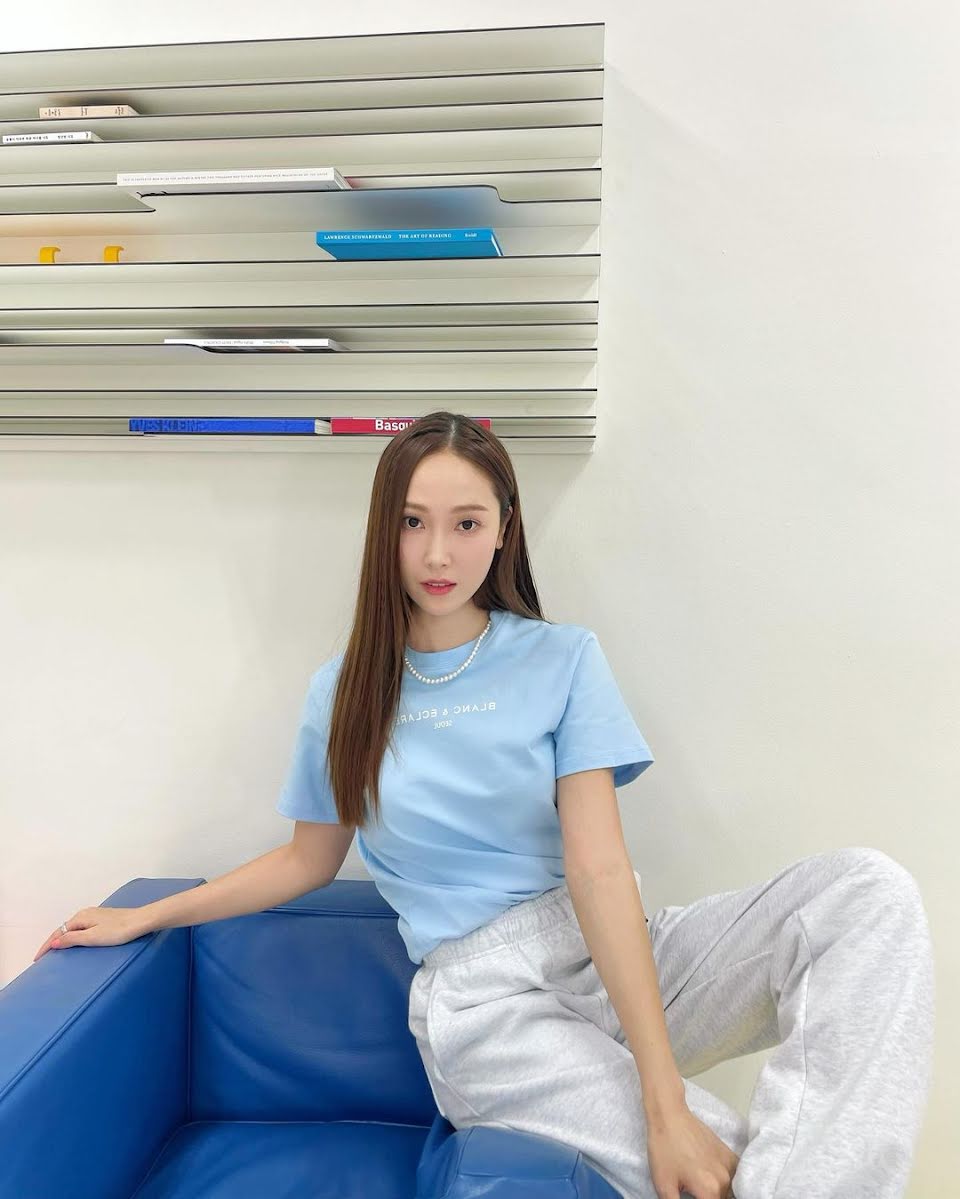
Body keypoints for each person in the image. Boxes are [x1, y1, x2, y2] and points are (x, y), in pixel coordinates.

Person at [34, 412, 935, 1199]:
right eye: (413, 522)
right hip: (486, 1005)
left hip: (604, 945)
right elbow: (307, 859)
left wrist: (661, 1097)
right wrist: (147, 915)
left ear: (504, 529)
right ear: (384, 531)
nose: (437, 553)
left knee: (864, 894)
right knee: (716, 1162)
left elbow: (597, 866)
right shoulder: (344, 692)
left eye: (466, 523)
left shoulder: (562, 658)